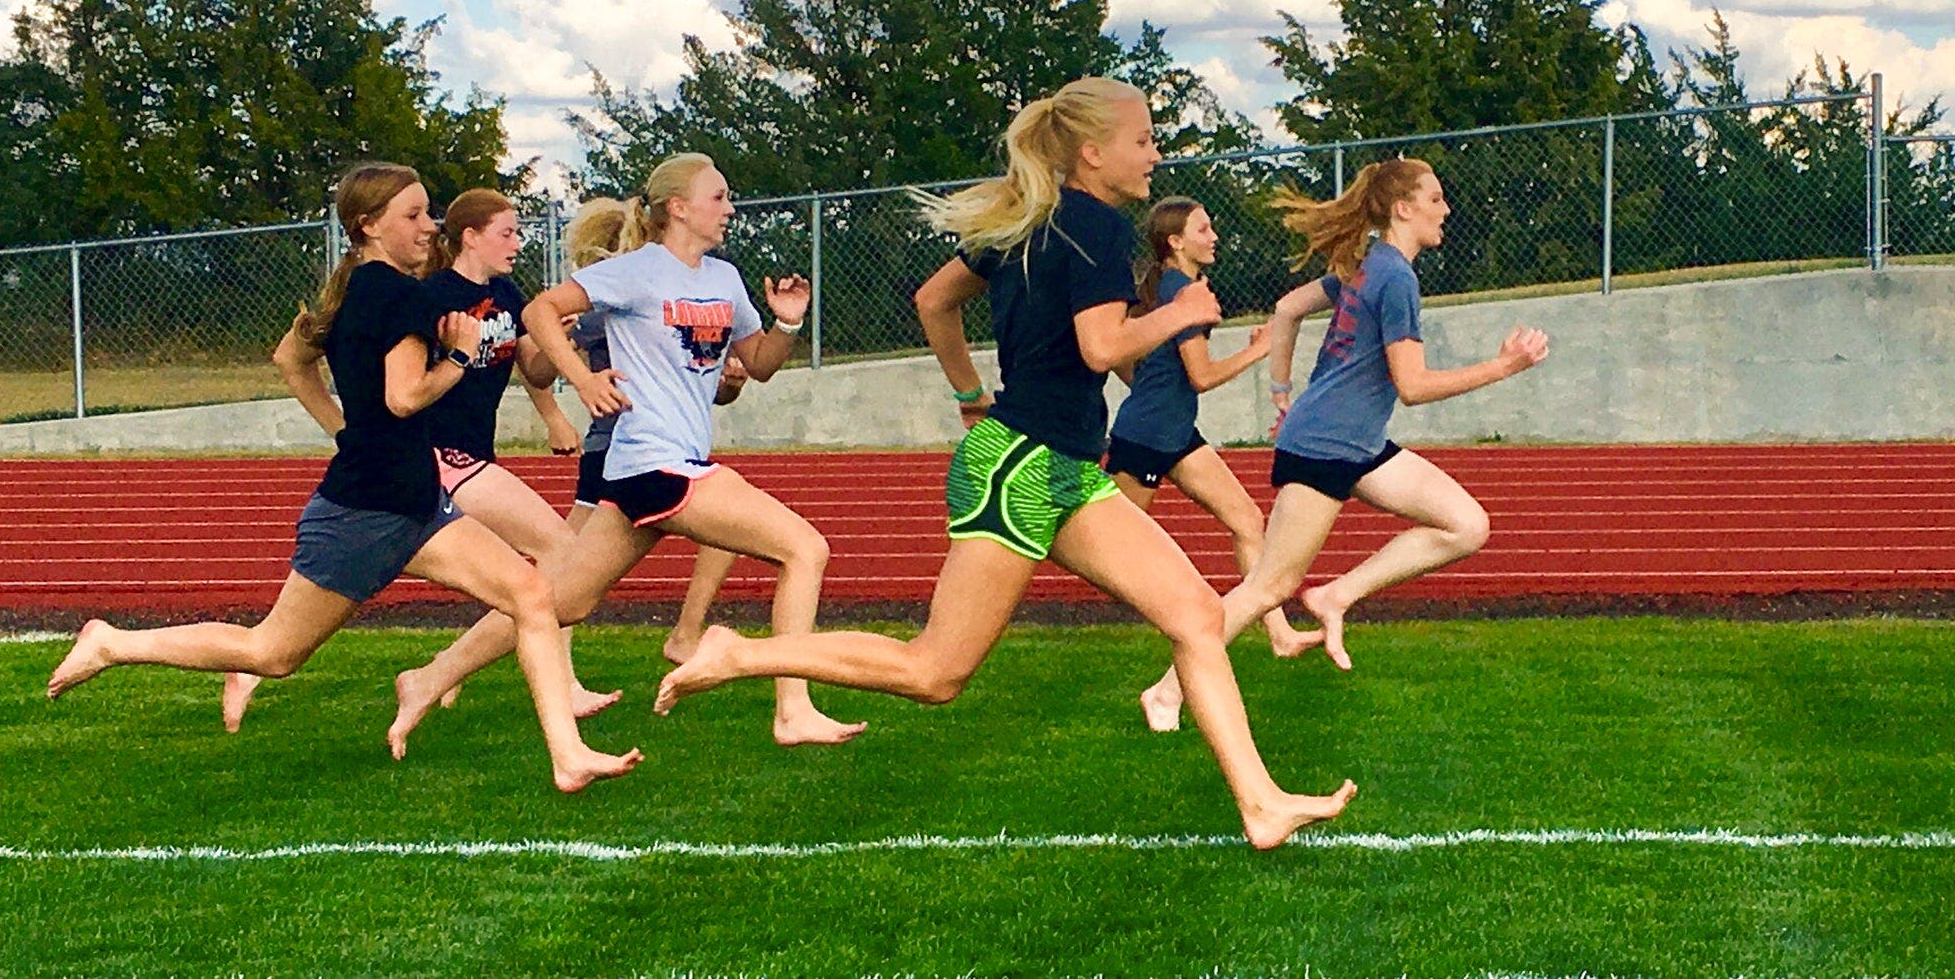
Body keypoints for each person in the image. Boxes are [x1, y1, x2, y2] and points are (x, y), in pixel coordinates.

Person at [653, 78, 1355, 850]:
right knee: (934, 672)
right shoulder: (1093, 228)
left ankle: (1260, 803)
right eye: (1144, 139)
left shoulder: (1027, 220)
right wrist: (1178, 315)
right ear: (1092, 152)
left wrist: (968, 393)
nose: (1155, 154)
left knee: (1196, 616)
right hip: (1020, 467)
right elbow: (1101, 347)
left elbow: (933, 301)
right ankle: (740, 652)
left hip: (1056, 465)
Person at [46, 163, 642, 793]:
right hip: (365, 507)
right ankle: (112, 642)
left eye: (428, 212)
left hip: (416, 499)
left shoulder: (362, 287)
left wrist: (347, 429)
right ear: (368, 225)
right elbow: (405, 397)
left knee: (531, 593)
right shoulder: (398, 295)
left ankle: (568, 755)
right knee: (272, 652)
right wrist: (462, 355)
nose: (427, 225)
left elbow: (305, 364)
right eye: (412, 215)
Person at [384, 154, 866, 753]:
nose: (731, 208)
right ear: (678, 208)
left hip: (652, 470)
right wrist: (582, 383)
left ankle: (428, 678)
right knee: (805, 547)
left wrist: (787, 324)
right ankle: (792, 707)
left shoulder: (725, 279)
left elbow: (759, 366)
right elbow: (539, 312)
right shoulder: (636, 272)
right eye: (719, 197)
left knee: (559, 599)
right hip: (656, 462)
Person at [1137, 158, 1548, 731]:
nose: (1445, 209)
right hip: (1327, 447)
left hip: (1355, 443)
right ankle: (1166, 690)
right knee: (1269, 586)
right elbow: (1412, 386)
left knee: (1466, 525)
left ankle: (1335, 597)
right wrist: (1504, 366)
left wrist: (1281, 390)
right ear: (1403, 209)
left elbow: (1287, 309)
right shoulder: (1395, 276)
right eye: (1435, 198)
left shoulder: (1368, 264)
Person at [225, 187, 623, 733]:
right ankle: (521, 682)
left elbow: (530, 369)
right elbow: (301, 359)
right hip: (441, 456)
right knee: (558, 554)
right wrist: (344, 430)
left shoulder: (505, 293)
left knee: (344, 597)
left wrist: (561, 367)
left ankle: (260, 663)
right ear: (472, 236)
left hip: (456, 464)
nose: (517, 242)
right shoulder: (424, 294)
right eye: (506, 232)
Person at [558, 196, 748, 669]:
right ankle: (466, 666)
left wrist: (727, 381)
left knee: (731, 532)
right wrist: (573, 375)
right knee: (560, 580)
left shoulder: (681, 287)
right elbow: (538, 362)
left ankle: (686, 633)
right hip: (617, 447)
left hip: (671, 449)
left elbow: (706, 380)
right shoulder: (613, 291)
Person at [1104, 197, 1300, 656]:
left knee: (1248, 520)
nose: (1214, 237)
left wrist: (1148, 387)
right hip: (1148, 438)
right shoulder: (1179, 292)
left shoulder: (1176, 287)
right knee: (1111, 541)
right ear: (1176, 242)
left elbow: (1125, 359)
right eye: (1203, 229)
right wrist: (1259, 350)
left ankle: (1280, 634)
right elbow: (1202, 376)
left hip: (1176, 435)